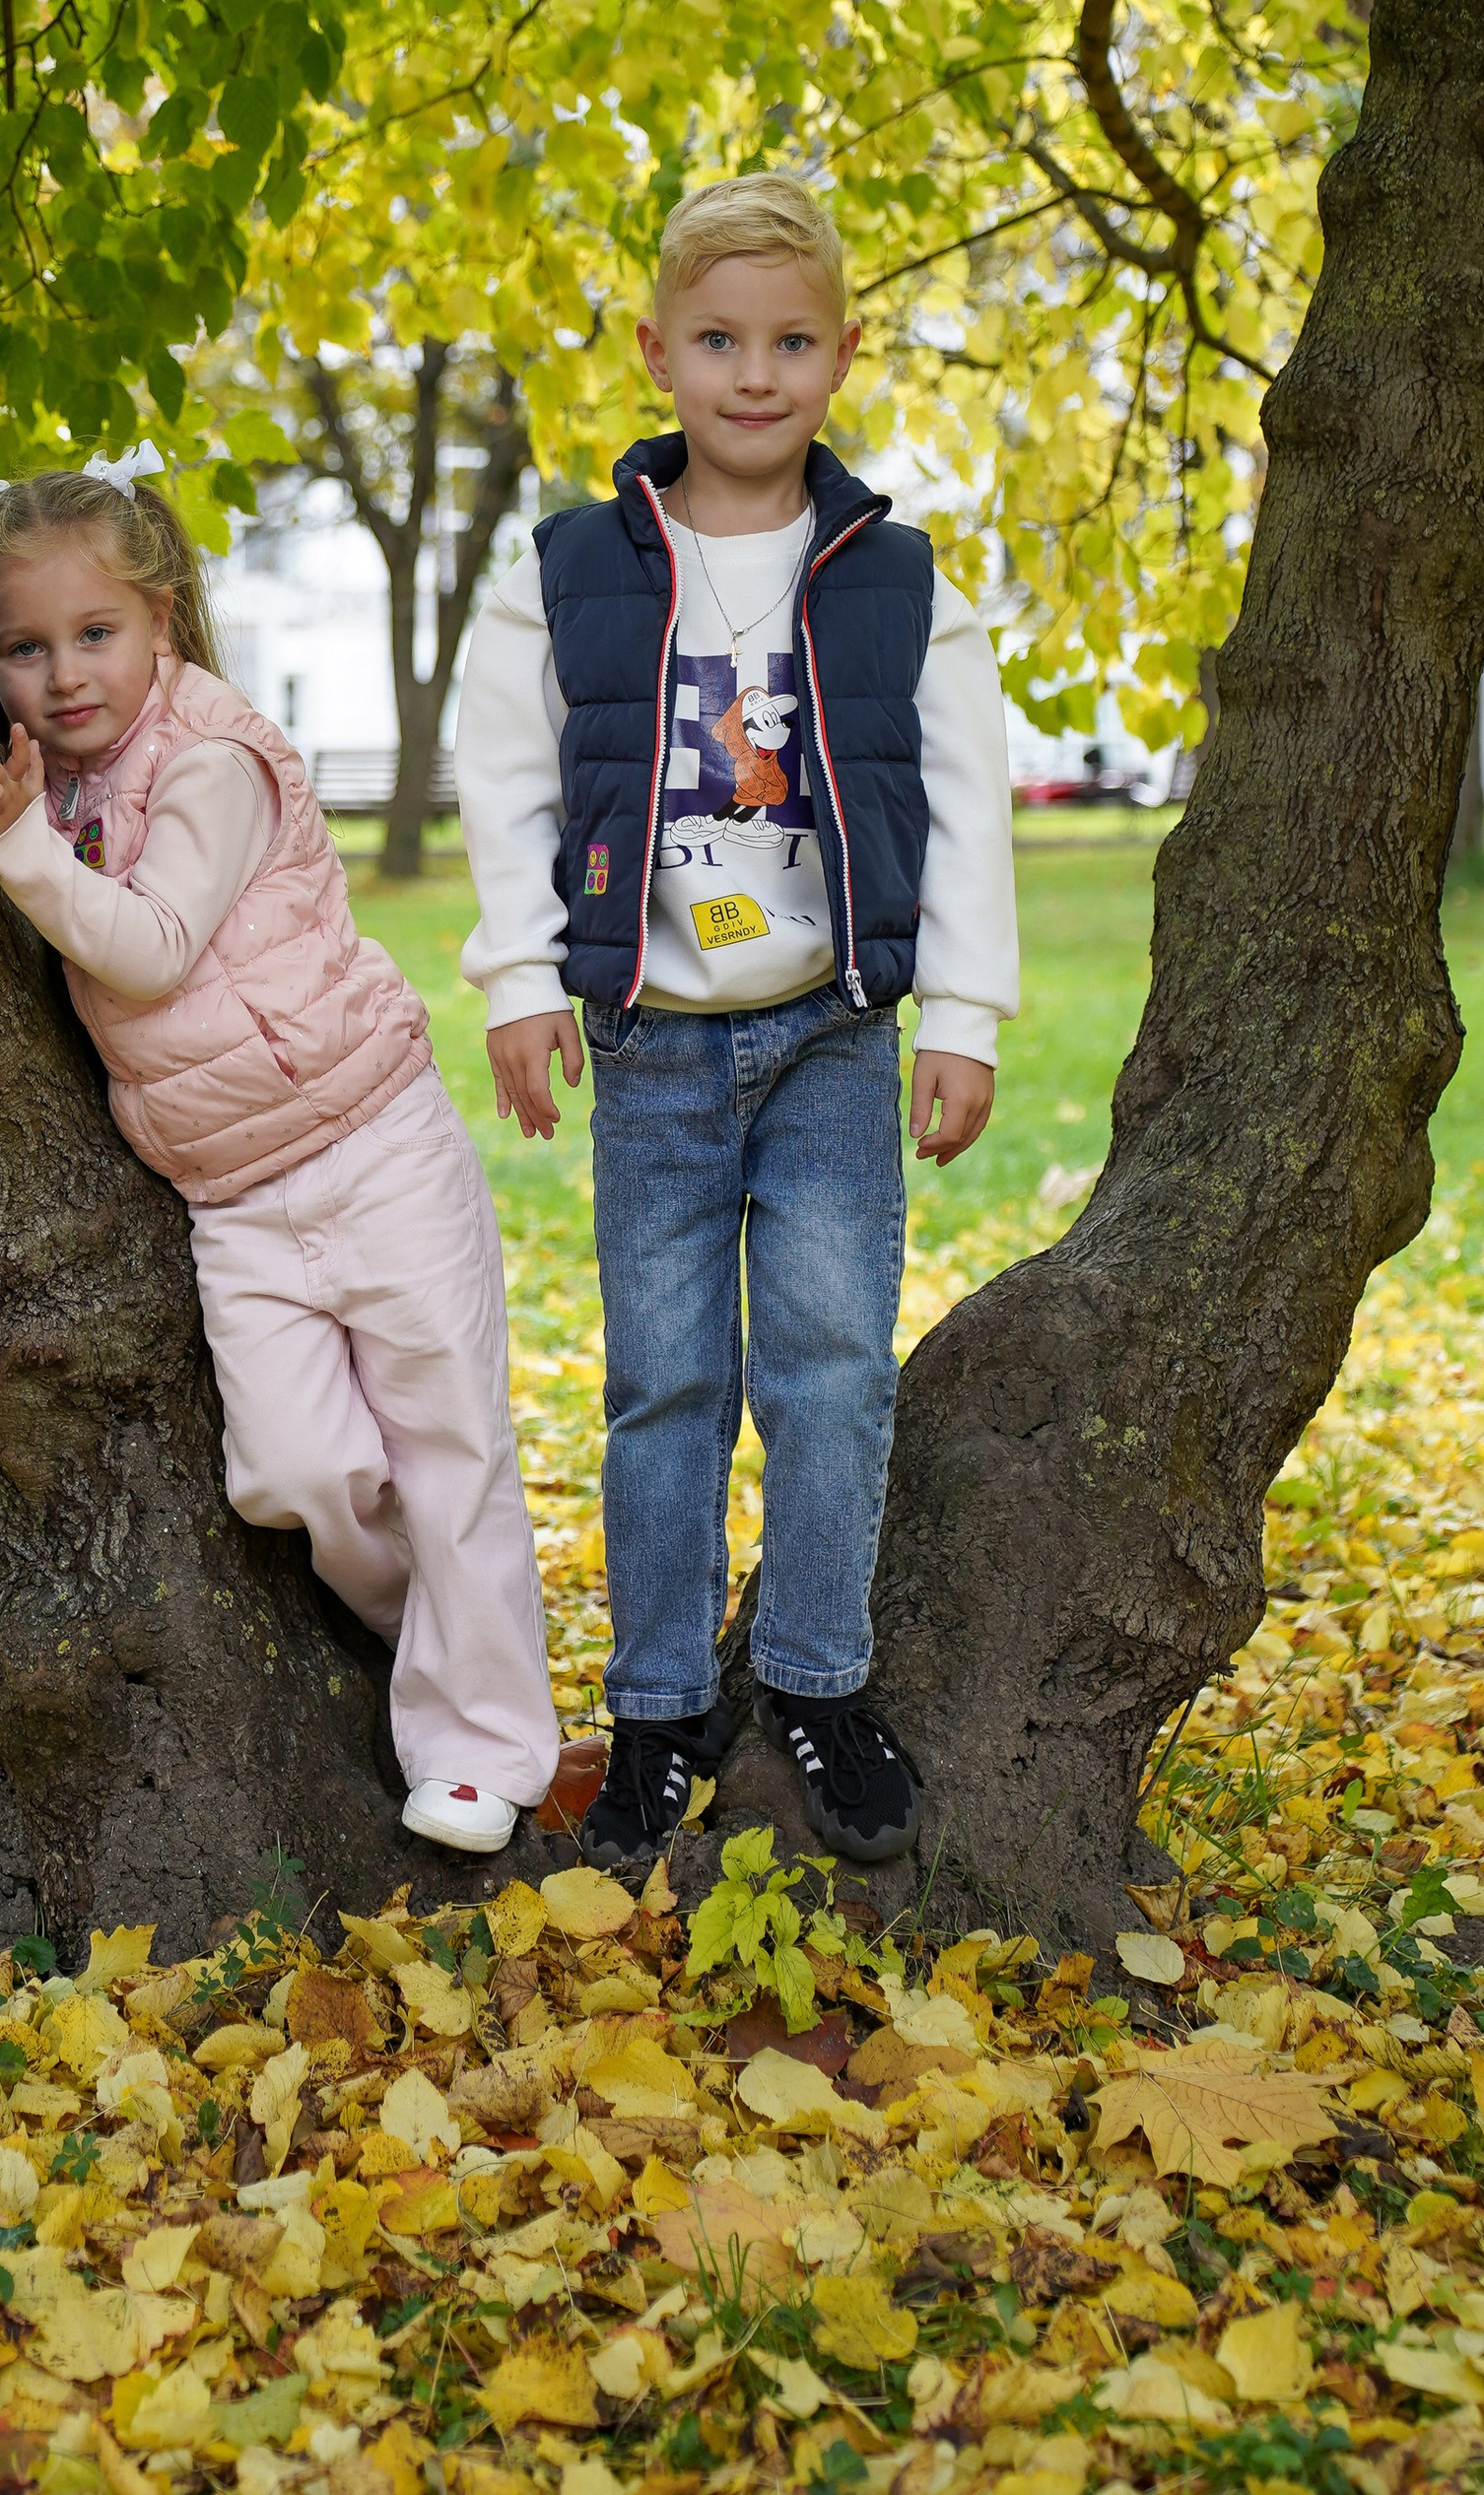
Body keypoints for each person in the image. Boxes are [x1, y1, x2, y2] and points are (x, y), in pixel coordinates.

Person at [454, 174, 1018, 1876]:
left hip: (835, 1038)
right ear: (656, 352)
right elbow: (502, 780)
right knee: (665, 1385)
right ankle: (653, 1708)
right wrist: (513, 980)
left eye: (789, 341)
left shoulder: (898, 578)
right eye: (716, 340)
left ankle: (817, 1682)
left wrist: (966, 1014)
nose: (753, 374)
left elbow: (972, 800)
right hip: (653, 1054)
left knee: (834, 1377)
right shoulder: (569, 571)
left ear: (842, 355)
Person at [0, 470, 559, 1856]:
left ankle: (485, 1748)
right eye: (22, 648)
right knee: (290, 1477)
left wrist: (25, 854)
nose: (62, 674)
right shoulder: (77, 776)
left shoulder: (212, 758)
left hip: (373, 1144)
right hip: (234, 1201)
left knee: (449, 1448)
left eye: (94, 634)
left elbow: (153, 950)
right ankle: (452, 1637)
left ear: (160, 620)